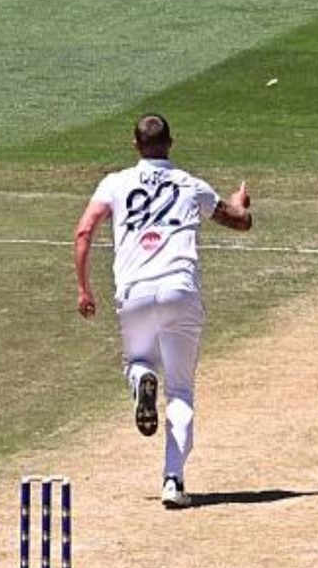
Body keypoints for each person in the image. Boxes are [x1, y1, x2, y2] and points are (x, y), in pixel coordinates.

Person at [74, 112, 252, 509]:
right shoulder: (190, 183)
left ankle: (141, 381)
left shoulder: (116, 182)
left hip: (134, 291)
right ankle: (173, 480)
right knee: (181, 390)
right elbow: (240, 221)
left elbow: (84, 230)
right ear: (170, 143)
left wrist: (84, 288)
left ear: (135, 145)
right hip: (180, 290)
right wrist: (240, 202)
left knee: (137, 361)